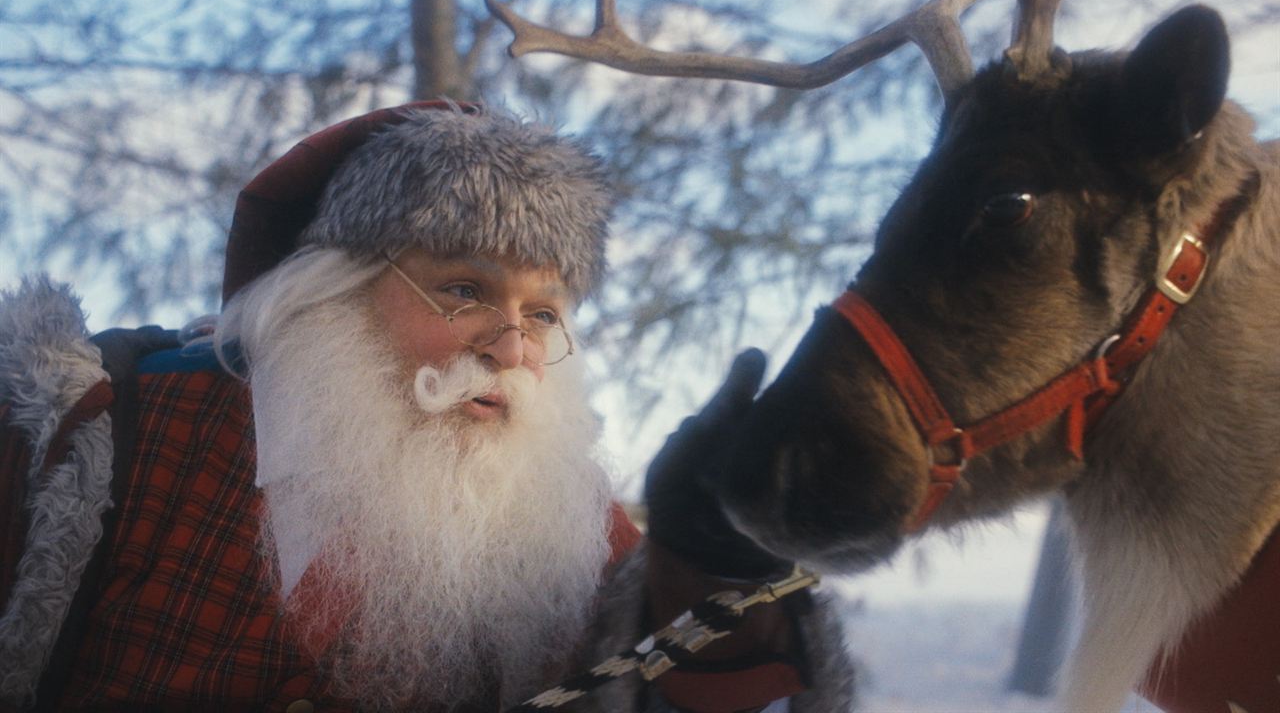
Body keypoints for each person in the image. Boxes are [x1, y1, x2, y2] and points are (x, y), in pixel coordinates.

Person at [0, 101, 853, 712]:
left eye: (544, 314)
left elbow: (697, 691)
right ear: (328, 296)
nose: (512, 348)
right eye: (462, 288)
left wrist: (714, 563)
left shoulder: (573, 533)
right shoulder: (99, 436)